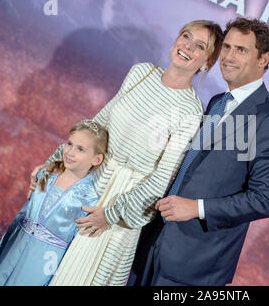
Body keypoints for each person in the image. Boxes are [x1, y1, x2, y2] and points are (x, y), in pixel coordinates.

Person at [29, 20, 224, 286]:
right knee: (45, 269)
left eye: (199, 46)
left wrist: (109, 215)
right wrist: (54, 162)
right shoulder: (140, 72)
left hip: (121, 210)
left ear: (207, 62)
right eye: (185, 36)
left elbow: (161, 179)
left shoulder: (191, 112)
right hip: (88, 186)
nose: (187, 46)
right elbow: (96, 127)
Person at [127, 17, 269, 286]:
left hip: (195, 267)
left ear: (263, 59)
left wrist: (197, 208)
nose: (228, 56)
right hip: (153, 245)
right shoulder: (217, 101)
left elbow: (266, 199)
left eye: (241, 50)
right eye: (226, 47)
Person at [0, 120, 108, 286]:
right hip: (14, 248)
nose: (70, 152)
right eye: (69, 144)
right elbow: (23, 215)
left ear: (97, 159)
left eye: (80, 149)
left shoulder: (90, 198)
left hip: (43, 264)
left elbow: (78, 246)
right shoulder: (46, 175)